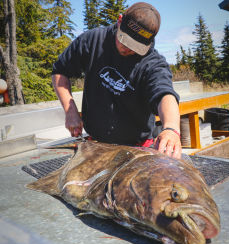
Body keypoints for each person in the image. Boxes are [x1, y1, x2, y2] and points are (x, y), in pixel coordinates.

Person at [52, 2, 182, 159]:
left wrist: (172, 128)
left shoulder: (152, 63)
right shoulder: (93, 40)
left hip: (137, 148)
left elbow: (164, 94)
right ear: (120, 21)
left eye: (136, 46)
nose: (128, 49)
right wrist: (70, 110)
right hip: (96, 144)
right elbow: (60, 71)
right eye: (124, 40)